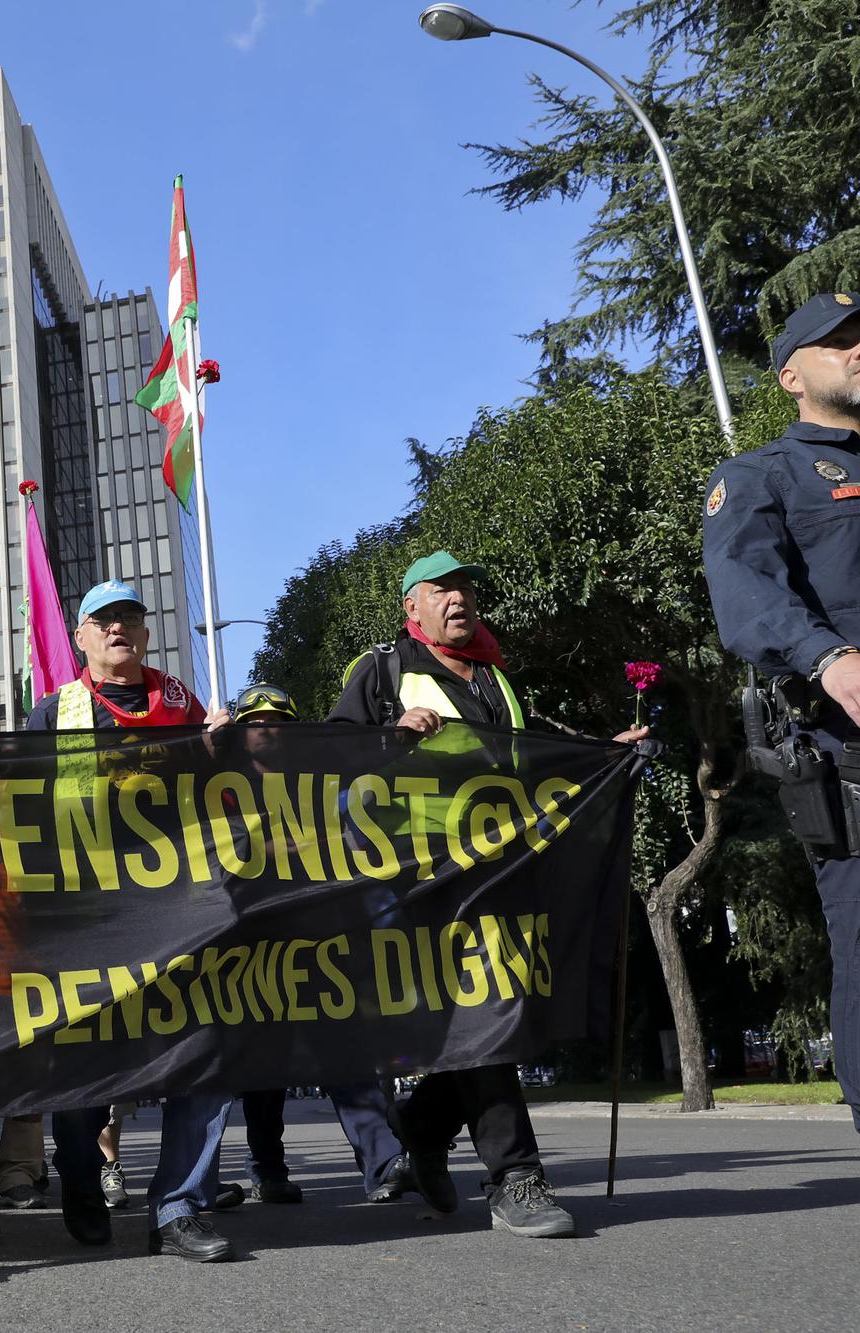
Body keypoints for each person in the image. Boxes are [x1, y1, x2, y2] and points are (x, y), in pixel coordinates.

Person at [328, 551, 646, 1239]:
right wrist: (391, 736)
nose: (458, 598)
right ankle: (516, 1177)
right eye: (441, 589)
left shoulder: (496, 679)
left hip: (500, 871)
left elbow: (526, 765)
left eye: (466, 587)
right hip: (419, 879)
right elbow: (328, 757)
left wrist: (604, 754)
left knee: (493, 1016)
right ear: (411, 606)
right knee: (484, 1009)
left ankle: (423, 1121)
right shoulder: (381, 670)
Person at [24, 579, 235, 1263]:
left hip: (179, 913)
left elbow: (220, 797)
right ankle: (82, 1182)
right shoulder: (52, 714)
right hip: (88, 919)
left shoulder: (183, 707)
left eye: (129, 618)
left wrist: (225, 748)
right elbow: (14, 810)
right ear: (80, 638)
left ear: (145, 634)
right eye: (102, 620)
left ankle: (180, 1206)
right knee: (84, 1063)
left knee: (202, 1050)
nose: (118, 628)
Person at [704, 291, 860, 1135]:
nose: (858, 349)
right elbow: (745, 597)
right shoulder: (764, 477)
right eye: (837, 342)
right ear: (792, 375)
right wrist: (830, 658)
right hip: (849, 752)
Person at [213, 683, 417, 1209]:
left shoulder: (322, 784)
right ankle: (268, 1168)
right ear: (241, 729)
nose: (269, 729)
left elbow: (357, 838)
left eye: (280, 720)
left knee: (345, 1050)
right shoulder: (221, 785)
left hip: (322, 937)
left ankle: (384, 1160)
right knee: (265, 1065)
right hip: (250, 943)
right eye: (258, 720)